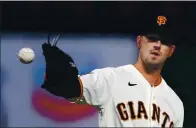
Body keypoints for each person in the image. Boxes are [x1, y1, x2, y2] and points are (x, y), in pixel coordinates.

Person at [41, 15, 184, 127]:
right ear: (139, 41)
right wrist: (56, 68)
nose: (157, 45)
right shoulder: (111, 79)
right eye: (152, 38)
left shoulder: (175, 103)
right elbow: (66, 87)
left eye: (164, 42)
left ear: (171, 51)